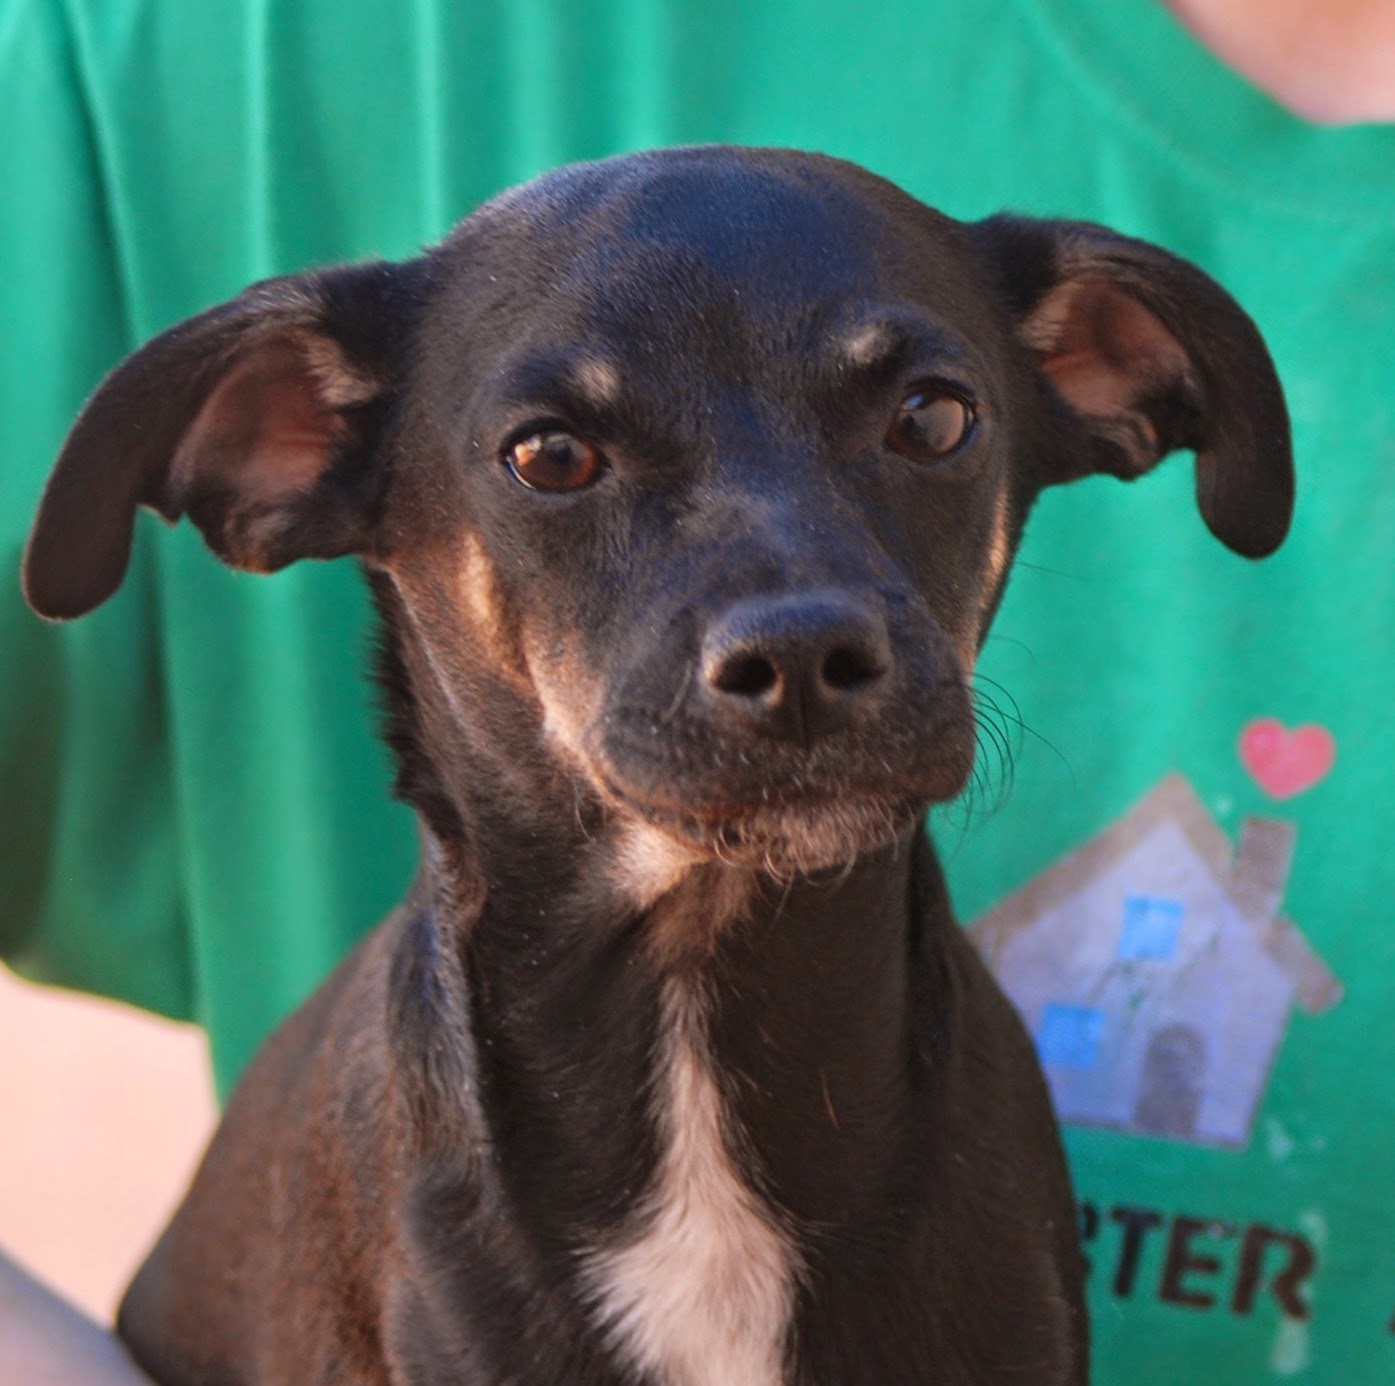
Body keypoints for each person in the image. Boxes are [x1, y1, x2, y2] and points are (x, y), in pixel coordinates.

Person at [3, 0, 1392, 1379]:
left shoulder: (990, 1207)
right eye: (557, 459)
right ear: (288, 449)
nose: (792, 622)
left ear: (1087, 376)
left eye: (923, 422)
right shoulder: (168, 66)